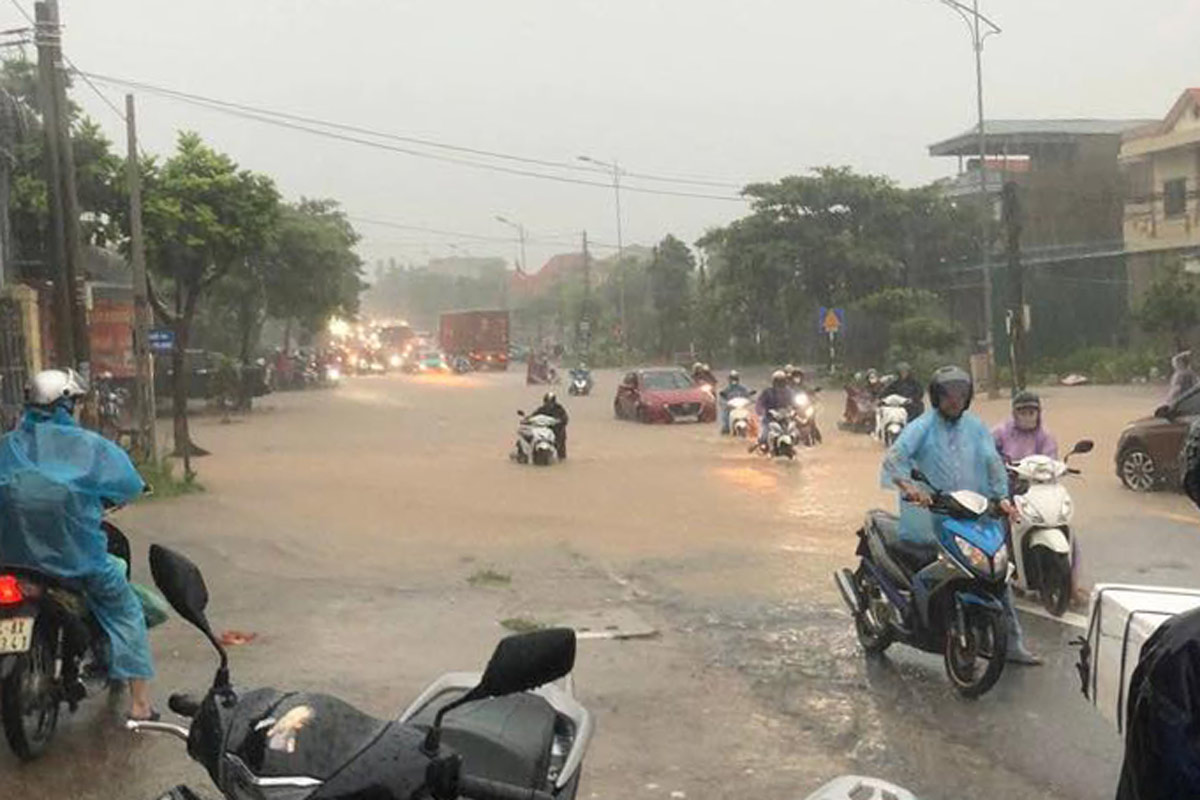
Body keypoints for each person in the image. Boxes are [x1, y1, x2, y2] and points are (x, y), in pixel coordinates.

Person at [0, 369, 155, 720]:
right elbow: (128, 484)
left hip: (11, 562)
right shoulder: (87, 448)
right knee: (125, 610)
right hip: (74, 564)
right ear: (66, 404)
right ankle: (140, 705)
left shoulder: (8, 445)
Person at [881, 365, 1041, 665]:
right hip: (933, 515)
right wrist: (911, 489)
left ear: (968, 397)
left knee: (997, 576)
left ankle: (1012, 642)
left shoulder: (976, 428)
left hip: (972, 513)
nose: (954, 400)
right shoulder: (921, 427)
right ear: (936, 397)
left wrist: (1003, 499)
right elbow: (895, 459)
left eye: (960, 394)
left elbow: (993, 464)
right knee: (930, 570)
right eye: (948, 395)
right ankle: (919, 620)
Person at [992, 391, 1059, 464]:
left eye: (1031, 413)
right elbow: (987, 453)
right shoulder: (1001, 432)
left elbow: (1050, 461)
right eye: (1023, 413)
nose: (1027, 418)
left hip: (1036, 470)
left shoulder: (1046, 436)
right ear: (1014, 415)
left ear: (1038, 414)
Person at [752, 370, 794, 452]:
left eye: (781, 381)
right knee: (765, 433)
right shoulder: (768, 392)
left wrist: (796, 409)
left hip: (785, 418)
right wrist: (761, 412)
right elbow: (759, 403)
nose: (780, 384)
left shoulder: (789, 392)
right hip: (770, 418)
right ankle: (762, 444)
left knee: (794, 429)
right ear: (774, 382)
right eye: (778, 381)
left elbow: (795, 402)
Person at [531, 391, 569, 460]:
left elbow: (565, 418)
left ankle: (561, 458)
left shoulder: (559, 409)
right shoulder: (542, 409)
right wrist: (527, 419)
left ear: (554, 402)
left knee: (560, 444)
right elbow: (534, 415)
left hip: (557, 430)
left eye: (550, 402)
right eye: (547, 402)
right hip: (543, 429)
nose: (548, 404)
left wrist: (560, 421)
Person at [718, 370, 754, 435]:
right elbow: (722, 397)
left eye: (735, 378)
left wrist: (751, 397)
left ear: (738, 379)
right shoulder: (727, 389)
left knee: (750, 416)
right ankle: (726, 426)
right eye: (732, 378)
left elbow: (748, 393)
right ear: (729, 379)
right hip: (730, 408)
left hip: (740, 407)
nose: (734, 380)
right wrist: (726, 403)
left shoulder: (742, 388)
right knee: (725, 422)